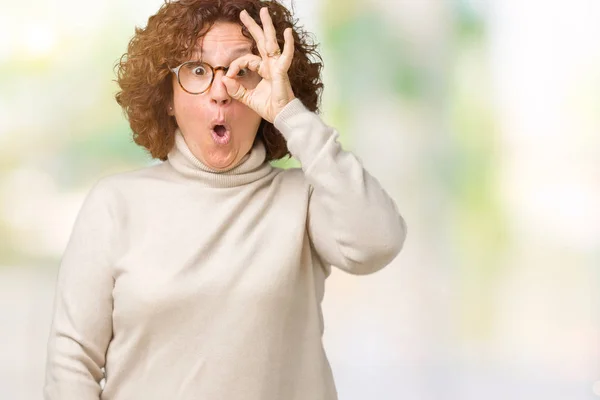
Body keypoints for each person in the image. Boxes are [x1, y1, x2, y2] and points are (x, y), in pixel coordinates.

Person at [43, 0, 407, 399]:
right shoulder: (115, 204)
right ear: (167, 98)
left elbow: (379, 242)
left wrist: (288, 112)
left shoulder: (304, 199)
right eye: (197, 70)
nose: (221, 90)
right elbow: (71, 362)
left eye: (243, 71)